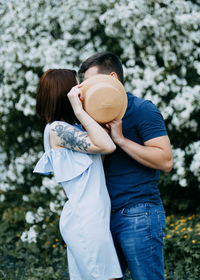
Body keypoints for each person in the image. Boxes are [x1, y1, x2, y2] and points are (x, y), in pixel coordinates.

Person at [79, 51, 173, 280]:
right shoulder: (90, 118)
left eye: (89, 83)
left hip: (139, 212)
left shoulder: (142, 109)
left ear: (113, 77)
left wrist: (121, 140)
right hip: (102, 217)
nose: (85, 90)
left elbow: (166, 161)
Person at [33, 69, 122, 280]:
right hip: (85, 220)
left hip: (93, 218)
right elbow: (108, 146)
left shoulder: (73, 128)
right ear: (65, 94)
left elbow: (99, 158)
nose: (82, 90)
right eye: (76, 86)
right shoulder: (56, 129)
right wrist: (81, 111)